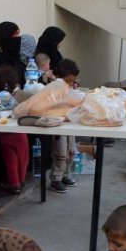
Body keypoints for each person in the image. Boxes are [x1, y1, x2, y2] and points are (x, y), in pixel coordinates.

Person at [0, 65, 29, 194]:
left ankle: (15, 184)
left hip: (4, 135)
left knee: (10, 160)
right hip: (20, 133)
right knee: (23, 158)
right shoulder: (21, 96)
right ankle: (22, 180)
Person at [49, 59, 80, 193]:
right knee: (60, 152)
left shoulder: (70, 88)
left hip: (69, 122)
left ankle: (65, 175)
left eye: (73, 81)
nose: (71, 84)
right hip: (58, 123)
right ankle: (56, 178)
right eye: (69, 81)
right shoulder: (52, 89)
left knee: (71, 150)